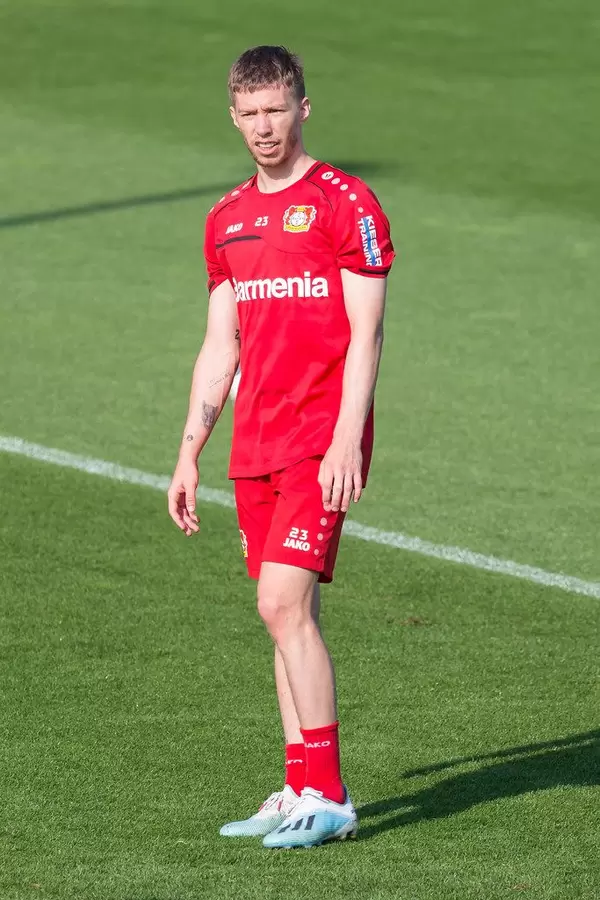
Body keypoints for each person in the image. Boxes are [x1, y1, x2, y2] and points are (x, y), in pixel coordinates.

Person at [167, 45, 395, 849]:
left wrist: (346, 441)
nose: (265, 127)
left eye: (278, 109)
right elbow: (220, 343)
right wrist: (190, 448)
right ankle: (299, 784)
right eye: (250, 112)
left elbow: (367, 336)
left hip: (316, 441)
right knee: (284, 616)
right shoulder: (226, 219)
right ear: (234, 116)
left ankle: (329, 798)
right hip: (254, 444)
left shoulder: (345, 204)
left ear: (304, 107)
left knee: (280, 603)